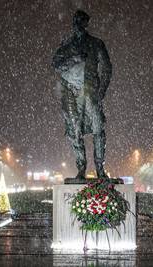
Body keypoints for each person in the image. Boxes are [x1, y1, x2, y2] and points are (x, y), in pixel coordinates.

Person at [52, 10, 112, 180]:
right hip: (71, 92)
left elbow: (107, 68)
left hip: (91, 92)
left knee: (98, 128)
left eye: (81, 21)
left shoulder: (96, 43)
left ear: (86, 23)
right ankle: (81, 168)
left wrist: (101, 92)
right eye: (76, 21)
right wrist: (75, 59)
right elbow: (56, 64)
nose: (78, 24)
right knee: (74, 130)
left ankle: (100, 168)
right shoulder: (67, 45)